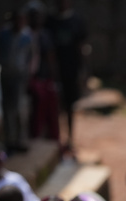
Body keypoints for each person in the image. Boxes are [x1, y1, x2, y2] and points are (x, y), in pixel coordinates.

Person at [47, 0, 88, 148]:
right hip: (53, 72)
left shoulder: (77, 21)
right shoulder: (50, 22)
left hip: (71, 70)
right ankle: (56, 137)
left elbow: (81, 47)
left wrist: (83, 71)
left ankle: (70, 138)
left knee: (70, 105)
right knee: (55, 106)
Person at [0, 8, 33, 153]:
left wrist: (29, 73)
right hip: (6, 74)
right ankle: (9, 140)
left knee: (19, 108)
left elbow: (31, 56)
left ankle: (21, 140)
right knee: (7, 108)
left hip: (19, 75)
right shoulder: (4, 34)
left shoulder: (27, 36)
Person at [26, 2, 60, 141]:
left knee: (49, 108)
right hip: (28, 78)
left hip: (44, 78)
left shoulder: (45, 35)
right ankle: (34, 136)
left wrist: (53, 79)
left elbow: (51, 57)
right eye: (33, 16)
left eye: (38, 16)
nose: (36, 19)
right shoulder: (25, 35)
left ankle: (51, 138)